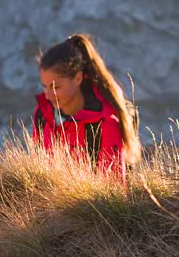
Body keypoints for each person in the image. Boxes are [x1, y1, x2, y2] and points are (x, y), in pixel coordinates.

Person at [32, 34, 141, 182]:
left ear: (78, 78)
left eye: (55, 87)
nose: (48, 95)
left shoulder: (105, 124)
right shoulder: (42, 115)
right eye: (45, 87)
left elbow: (113, 194)